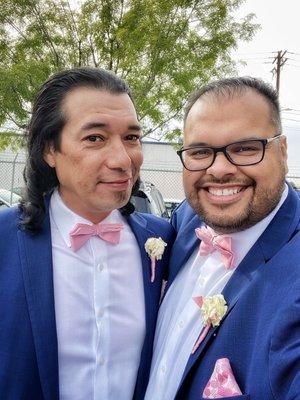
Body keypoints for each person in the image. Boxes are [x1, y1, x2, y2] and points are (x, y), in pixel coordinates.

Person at [0, 67, 174, 400]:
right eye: (95, 138)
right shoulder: (4, 241)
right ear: (50, 149)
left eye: (132, 138)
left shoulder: (165, 242)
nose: (123, 160)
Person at [145, 77, 300, 399]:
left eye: (244, 149)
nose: (219, 169)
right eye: (200, 151)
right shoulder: (186, 220)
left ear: (282, 151)